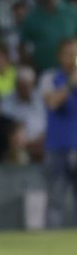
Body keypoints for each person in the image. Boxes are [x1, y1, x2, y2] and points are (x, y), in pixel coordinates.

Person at [40, 37, 77, 228]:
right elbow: (52, 103)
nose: (73, 58)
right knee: (55, 201)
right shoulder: (50, 77)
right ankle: (50, 240)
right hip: (57, 149)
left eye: (76, 54)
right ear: (59, 56)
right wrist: (70, 84)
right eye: (69, 54)